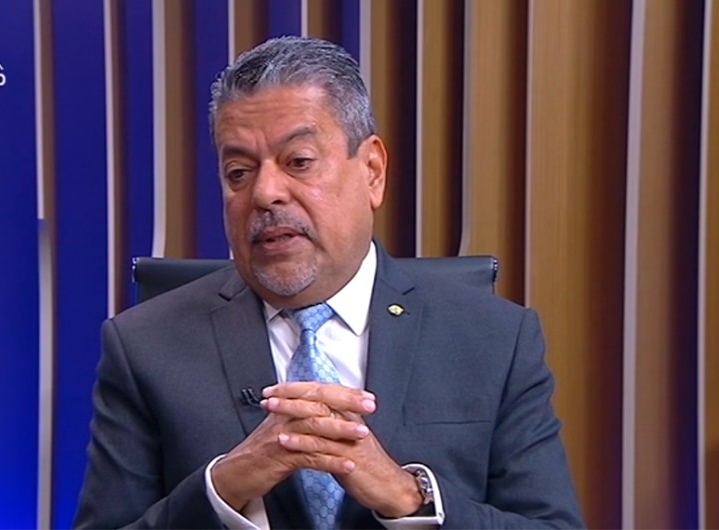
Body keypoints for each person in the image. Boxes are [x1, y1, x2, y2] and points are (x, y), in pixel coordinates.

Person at [74, 36, 584, 529]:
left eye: (298, 162)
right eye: (238, 172)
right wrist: (222, 488)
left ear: (373, 172)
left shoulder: (494, 340)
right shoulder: (145, 347)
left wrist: (410, 498)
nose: (265, 193)